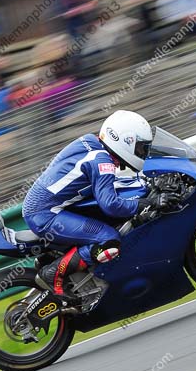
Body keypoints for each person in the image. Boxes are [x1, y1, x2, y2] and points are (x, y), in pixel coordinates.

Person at [22, 110, 176, 300]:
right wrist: (146, 203)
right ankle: (53, 273)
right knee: (109, 239)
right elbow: (110, 205)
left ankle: (80, 275)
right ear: (124, 141)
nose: (142, 153)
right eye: (140, 148)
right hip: (45, 215)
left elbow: (103, 185)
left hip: (47, 208)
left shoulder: (91, 143)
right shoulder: (101, 161)